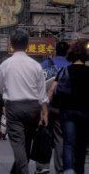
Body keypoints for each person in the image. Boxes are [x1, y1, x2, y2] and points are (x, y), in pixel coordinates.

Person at [0, 28, 48, 174]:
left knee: (18, 144)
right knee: (26, 143)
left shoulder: (6, 64)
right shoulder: (36, 65)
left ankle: (23, 171)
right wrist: (44, 112)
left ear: (11, 44)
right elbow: (42, 92)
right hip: (33, 108)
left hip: (14, 108)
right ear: (28, 44)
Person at [50, 41, 89, 174]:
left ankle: (68, 170)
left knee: (68, 143)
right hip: (85, 112)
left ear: (71, 55)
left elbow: (55, 90)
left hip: (67, 112)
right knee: (82, 144)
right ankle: (79, 170)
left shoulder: (65, 70)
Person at [35, 41, 70, 174]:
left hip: (45, 105)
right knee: (60, 138)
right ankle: (60, 168)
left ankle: (42, 166)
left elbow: (36, 84)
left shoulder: (44, 65)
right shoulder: (70, 67)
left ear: (54, 51)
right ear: (68, 53)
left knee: (44, 135)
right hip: (63, 107)